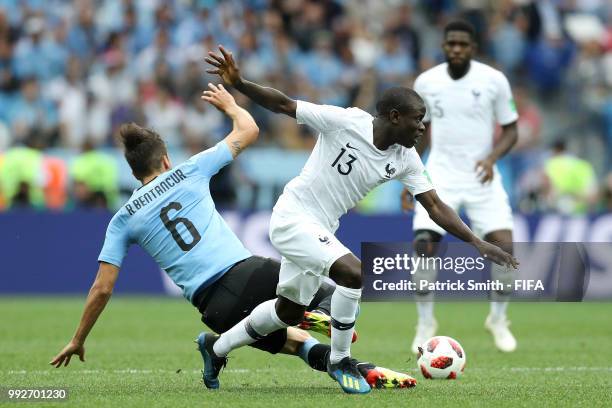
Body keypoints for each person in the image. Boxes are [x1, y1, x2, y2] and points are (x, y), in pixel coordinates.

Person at [49, 84, 417, 391]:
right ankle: (328, 336)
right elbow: (249, 129)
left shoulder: (122, 218)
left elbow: (102, 288)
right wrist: (230, 104)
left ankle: (244, 341)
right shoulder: (189, 172)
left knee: (293, 343)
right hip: (247, 274)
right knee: (336, 290)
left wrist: (78, 338)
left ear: (133, 171)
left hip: (213, 309)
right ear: (165, 161)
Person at [204, 45, 518, 394]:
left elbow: (435, 206)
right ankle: (340, 360)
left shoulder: (406, 158)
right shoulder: (346, 121)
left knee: (287, 313)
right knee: (354, 273)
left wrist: (478, 242)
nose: (422, 126)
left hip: (321, 227)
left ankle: (215, 348)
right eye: (418, 118)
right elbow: (284, 104)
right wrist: (240, 83)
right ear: (396, 116)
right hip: (293, 215)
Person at [401, 20, 520, 353]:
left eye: (462, 44)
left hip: (482, 177)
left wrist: (492, 157)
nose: (456, 49)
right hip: (439, 175)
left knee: (505, 249)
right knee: (424, 246)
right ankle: (425, 322)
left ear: (473, 48)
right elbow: (415, 133)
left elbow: (511, 130)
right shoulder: (427, 81)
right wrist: (410, 179)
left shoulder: (494, 81)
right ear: (443, 46)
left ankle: (498, 318)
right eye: (450, 43)